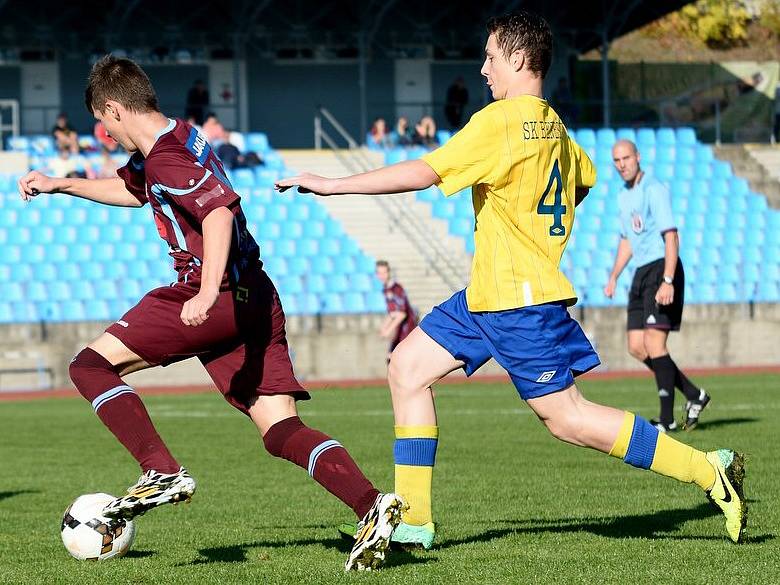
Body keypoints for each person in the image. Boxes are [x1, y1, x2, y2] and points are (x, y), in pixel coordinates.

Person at [276, 10, 747, 550]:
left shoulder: (498, 122)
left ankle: (708, 471)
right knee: (407, 368)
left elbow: (424, 173)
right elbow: (584, 181)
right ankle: (414, 520)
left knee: (568, 420)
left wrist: (333, 186)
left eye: (491, 57)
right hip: (487, 294)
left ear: (519, 59)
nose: (483, 69)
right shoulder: (556, 125)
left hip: (517, 300)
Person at [18, 55, 401, 572]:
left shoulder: (166, 156)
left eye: (105, 123)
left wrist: (206, 290)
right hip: (257, 299)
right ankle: (371, 505)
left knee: (89, 366)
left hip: (211, 293)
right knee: (280, 429)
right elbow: (136, 192)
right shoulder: (181, 137)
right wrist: (63, 184)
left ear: (114, 108)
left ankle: (161, 469)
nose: (106, 135)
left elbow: (218, 212)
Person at [604, 140, 710, 432]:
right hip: (640, 272)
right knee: (637, 347)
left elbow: (671, 236)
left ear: (638, 157)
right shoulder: (623, 197)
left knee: (654, 343)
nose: (622, 164)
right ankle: (694, 395)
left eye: (626, 157)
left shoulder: (654, 188)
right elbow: (627, 240)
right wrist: (614, 275)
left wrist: (667, 279)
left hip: (662, 268)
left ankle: (666, 420)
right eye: (616, 160)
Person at [375, 260, 417, 362]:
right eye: (379, 273)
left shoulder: (397, 289)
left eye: (384, 272)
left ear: (389, 273)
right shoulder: (385, 290)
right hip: (400, 329)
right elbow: (392, 313)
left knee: (396, 360)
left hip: (407, 328)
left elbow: (401, 314)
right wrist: (383, 327)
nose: (382, 276)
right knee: (391, 359)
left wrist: (388, 331)